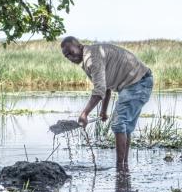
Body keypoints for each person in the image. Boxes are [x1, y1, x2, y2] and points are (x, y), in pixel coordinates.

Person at [60, 36, 153, 171]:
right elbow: (106, 87)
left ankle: (120, 168)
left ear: (79, 46)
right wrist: (103, 111)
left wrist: (84, 114)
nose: (69, 57)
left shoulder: (91, 58)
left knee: (118, 123)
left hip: (137, 83)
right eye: (66, 55)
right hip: (137, 83)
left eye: (70, 52)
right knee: (123, 125)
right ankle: (124, 167)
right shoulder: (89, 57)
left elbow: (99, 91)